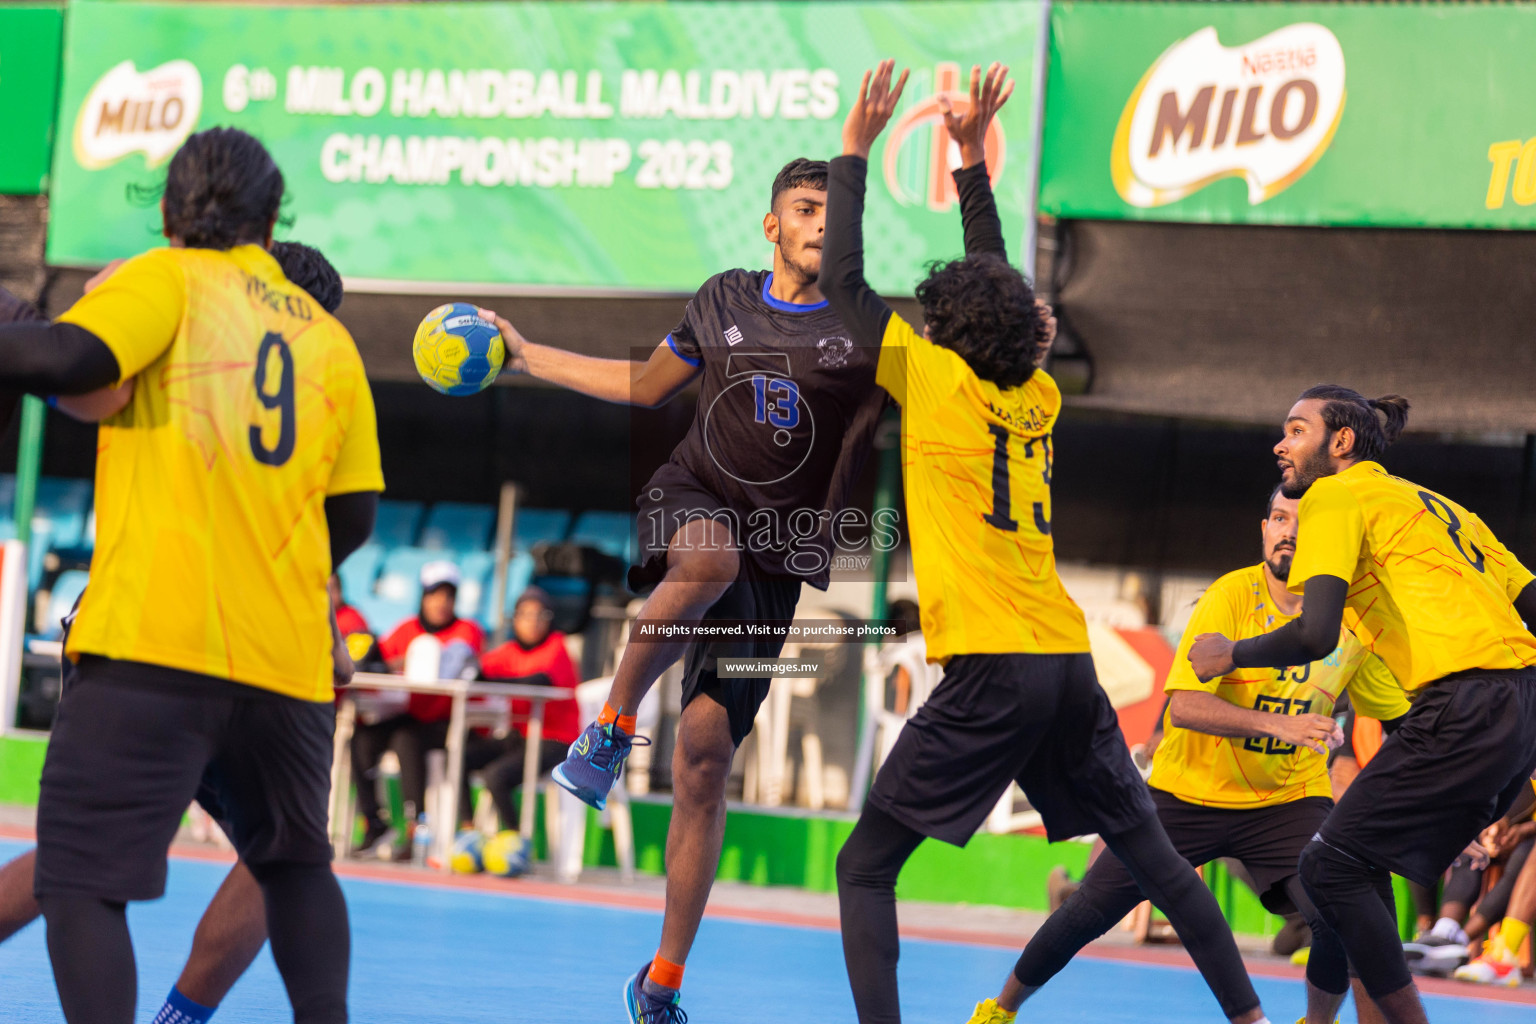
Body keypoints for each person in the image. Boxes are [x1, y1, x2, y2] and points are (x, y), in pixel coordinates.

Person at [819, 61, 1271, 1024]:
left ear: (945, 332)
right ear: (1027, 335)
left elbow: (842, 280)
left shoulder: (931, 378)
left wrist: (853, 149)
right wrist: (970, 160)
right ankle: (1252, 1018)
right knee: (1151, 858)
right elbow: (994, 290)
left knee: (865, 868)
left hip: (993, 665)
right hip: (1067, 660)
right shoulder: (1039, 393)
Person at [476, 138, 886, 1021]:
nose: (821, 223)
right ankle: (612, 724)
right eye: (806, 210)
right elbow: (642, 385)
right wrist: (526, 355)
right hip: (692, 497)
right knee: (708, 556)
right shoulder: (723, 297)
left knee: (704, 762)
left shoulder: (865, 327)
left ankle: (660, 983)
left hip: (782, 559)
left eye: (835, 210)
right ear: (772, 224)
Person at [0, 127, 381, 1024]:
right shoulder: (330, 345)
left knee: (82, 874)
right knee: (293, 866)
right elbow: (352, 520)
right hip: (284, 666)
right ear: (270, 215)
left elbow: (72, 361)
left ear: (172, 209)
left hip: (153, 644)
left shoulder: (166, 279)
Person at [969, 486, 1410, 1024]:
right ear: (1263, 528)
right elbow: (1185, 708)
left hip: (1287, 799)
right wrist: (1282, 725)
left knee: (1340, 915)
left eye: (1302, 522)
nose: (1287, 531)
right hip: (1186, 794)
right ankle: (998, 1011)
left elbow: (1405, 719)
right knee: (1090, 908)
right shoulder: (1230, 596)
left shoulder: (1355, 625)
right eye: (1277, 518)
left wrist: (1465, 803)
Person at [1189, 384, 1536, 1024]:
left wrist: (1230, 655)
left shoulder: (1333, 497)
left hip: (1465, 697)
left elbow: (1315, 633)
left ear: (1340, 442)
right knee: (1358, 865)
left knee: (1327, 866)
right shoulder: (1431, 502)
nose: (1280, 443)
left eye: (1295, 430)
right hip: (1517, 702)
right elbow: (1530, 602)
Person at [351, 560, 484, 857]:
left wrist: (404, 662)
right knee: (361, 738)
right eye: (435, 594)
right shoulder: (405, 628)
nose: (442, 602)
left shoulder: (467, 630)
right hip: (407, 715)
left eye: (449, 596)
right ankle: (373, 821)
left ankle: (416, 831)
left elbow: (448, 665)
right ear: (423, 597)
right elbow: (379, 663)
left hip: (449, 722)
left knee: (406, 740)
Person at [463, 586, 580, 830]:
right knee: (459, 756)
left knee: (496, 776)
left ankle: (514, 840)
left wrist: (492, 682)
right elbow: (477, 673)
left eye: (541, 616)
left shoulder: (557, 647)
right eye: (525, 615)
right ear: (515, 620)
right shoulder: (509, 651)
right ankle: (468, 829)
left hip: (557, 741)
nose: (533, 623)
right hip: (522, 736)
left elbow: (539, 681)